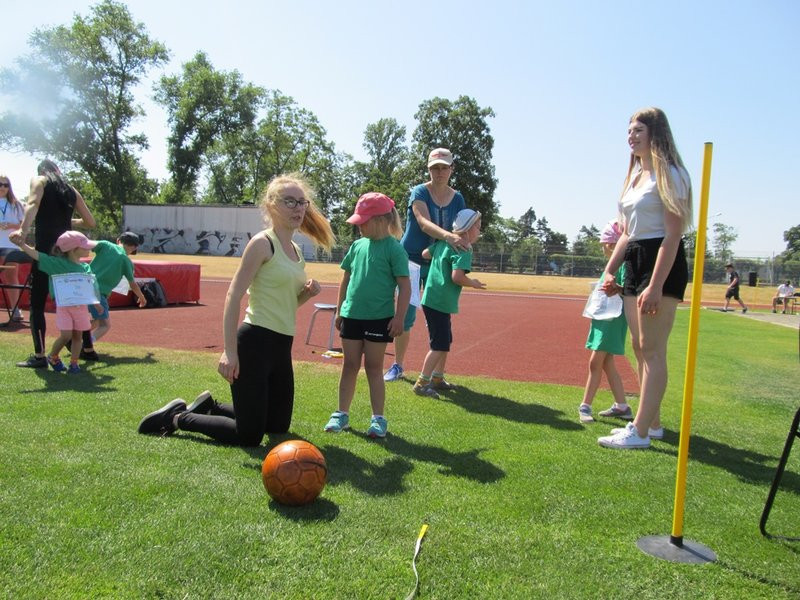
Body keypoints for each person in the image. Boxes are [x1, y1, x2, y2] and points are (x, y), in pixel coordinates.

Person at [137, 173, 335, 444]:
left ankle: (211, 407)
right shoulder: (262, 244)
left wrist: (306, 295)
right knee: (250, 435)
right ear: (271, 204)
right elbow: (233, 295)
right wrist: (229, 352)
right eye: (290, 202)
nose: (299, 208)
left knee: (277, 425)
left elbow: (286, 305)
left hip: (281, 346)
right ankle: (177, 418)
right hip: (254, 342)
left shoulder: (296, 251)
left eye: (302, 202)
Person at [597, 107, 692, 450]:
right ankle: (652, 423)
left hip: (661, 261)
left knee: (652, 350)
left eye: (638, 130)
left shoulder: (672, 174)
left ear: (656, 133)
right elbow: (626, 233)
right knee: (639, 347)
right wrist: (610, 270)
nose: (631, 136)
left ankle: (638, 431)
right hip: (635, 259)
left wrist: (655, 284)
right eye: (629, 131)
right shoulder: (634, 178)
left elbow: (672, 234)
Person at [324, 193, 411, 438]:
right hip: (352, 316)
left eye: (363, 221)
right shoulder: (357, 246)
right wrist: (341, 310)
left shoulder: (394, 249)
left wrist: (399, 317)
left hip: (379, 318)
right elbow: (346, 278)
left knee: (374, 367)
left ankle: (378, 419)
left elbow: (405, 286)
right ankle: (341, 414)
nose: (359, 226)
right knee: (349, 366)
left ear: (382, 219)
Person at [383, 148, 469, 383]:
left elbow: (461, 227)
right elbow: (422, 222)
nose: (439, 172)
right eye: (435, 167)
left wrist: (461, 243)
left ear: (451, 169)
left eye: (444, 167)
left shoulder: (458, 197)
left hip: (438, 263)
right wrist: (449, 237)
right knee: (405, 314)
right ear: (429, 169)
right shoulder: (419, 191)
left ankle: (438, 375)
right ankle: (398, 365)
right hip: (410, 260)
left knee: (441, 315)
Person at [13, 159, 95, 368]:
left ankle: (40, 355)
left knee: (37, 303)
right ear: (58, 170)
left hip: (46, 249)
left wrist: (23, 231)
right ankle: (86, 348)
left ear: (41, 171)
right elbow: (90, 222)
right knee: (78, 298)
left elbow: (33, 204)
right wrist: (67, 221)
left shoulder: (39, 180)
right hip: (67, 253)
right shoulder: (70, 189)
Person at [412, 208, 486, 398]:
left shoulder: (444, 242)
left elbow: (425, 253)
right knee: (439, 345)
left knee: (444, 341)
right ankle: (422, 382)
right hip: (440, 302)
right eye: (478, 227)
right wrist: (473, 283)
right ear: (468, 229)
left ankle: (437, 378)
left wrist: (442, 245)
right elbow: (457, 277)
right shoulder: (464, 249)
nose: (480, 230)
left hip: (431, 298)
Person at [10, 231, 101, 374]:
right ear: (72, 249)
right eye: (84, 246)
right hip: (64, 308)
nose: (89, 249)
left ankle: (74, 363)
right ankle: (53, 356)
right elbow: (39, 256)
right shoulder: (57, 264)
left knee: (78, 336)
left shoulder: (85, 268)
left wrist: (96, 304)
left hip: (81, 309)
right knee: (66, 336)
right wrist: (22, 244)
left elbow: (89, 288)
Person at [580, 220, 633, 422]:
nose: (603, 248)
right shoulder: (612, 266)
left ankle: (585, 406)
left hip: (613, 318)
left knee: (595, 362)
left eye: (604, 244)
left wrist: (616, 288)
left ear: (612, 245)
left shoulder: (622, 265)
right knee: (606, 362)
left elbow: (629, 290)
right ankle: (622, 405)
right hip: (603, 317)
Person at [76, 232, 148, 360]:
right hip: (98, 292)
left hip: (84, 286)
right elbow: (133, 284)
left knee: (97, 320)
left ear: (118, 240)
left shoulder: (105, 245)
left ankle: (74, 337)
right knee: (105, 325)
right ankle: (85, 345)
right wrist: (142, 297)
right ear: (134, 247)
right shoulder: (126, 261)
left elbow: (86, 244)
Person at [0, 174, 26, 321]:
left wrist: (10, 226)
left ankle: (15, 309)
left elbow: (24, 225)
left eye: (6, 185)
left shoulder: (16, 204)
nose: (3, 187)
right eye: (0, 184)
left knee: (11, 277)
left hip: (11, 245)